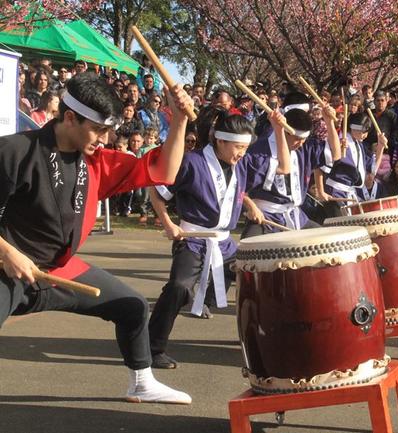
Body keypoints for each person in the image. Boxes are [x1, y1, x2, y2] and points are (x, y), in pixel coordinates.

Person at [0, 72, 193, 404]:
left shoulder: (96, 163)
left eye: (108, 131)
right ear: (70, 117)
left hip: (58, 271)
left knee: (132, 306)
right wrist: (6, 252)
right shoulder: (15, 150)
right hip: (9, 269)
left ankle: (141, 383)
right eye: (98, 129)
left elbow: (165, 172)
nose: (104, 139)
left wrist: (179, 121)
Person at [147, 111, 291, 369]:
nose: (242, 153)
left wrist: (278, 129)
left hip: (225, 244)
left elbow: (283, 166)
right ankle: (151, 347)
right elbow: (157, 190)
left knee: (260, 281)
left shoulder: (243, 165)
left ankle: (266, 342)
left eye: (246, 148)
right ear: (220, 141)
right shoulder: (191, 162)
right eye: (238, 147)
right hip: (193, 240)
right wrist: (168, 224)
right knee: (179, 288)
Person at [241, 93, 341, 235]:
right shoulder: (259, 150)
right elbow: (238, 186)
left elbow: (336, 154)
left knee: (327, 243)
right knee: (249, 247)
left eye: (303, 139)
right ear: (285, 132)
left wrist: (329, 121)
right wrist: (251, 206)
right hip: (266, 216)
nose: (300, 143)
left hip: (297, 217)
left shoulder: (304, 147)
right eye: (297, 138)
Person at [317, 112, 387, 217]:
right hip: (335, 192)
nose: (366, 135)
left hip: (349, 194)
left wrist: (380, 147)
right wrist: (321, 191)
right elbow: (319, 166)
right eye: (364, 131)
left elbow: (372, 170)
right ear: (353, 128)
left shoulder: (359, 145)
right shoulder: (339, 142)